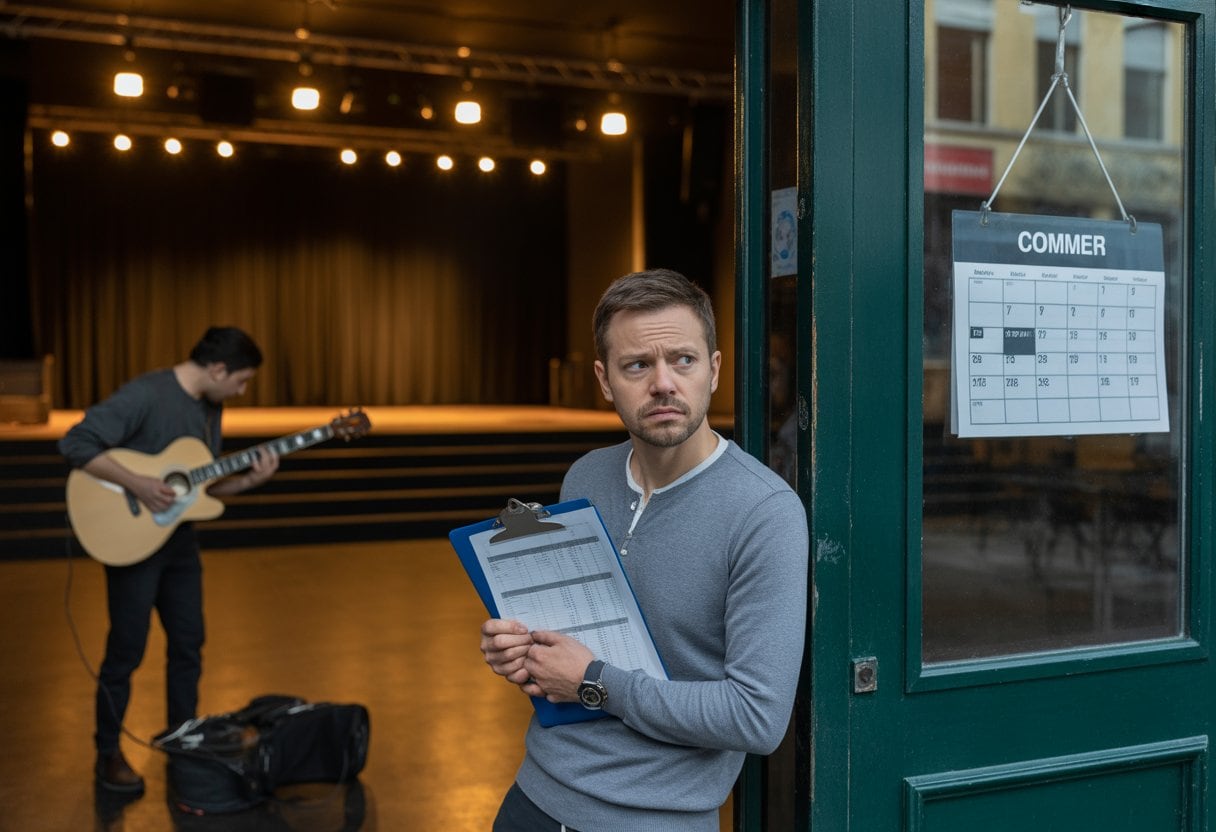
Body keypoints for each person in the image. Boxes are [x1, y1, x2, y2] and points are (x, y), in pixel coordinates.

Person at [480, 269, 809, 831]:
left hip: (654, 818)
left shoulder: (765, 513)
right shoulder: (585, 477)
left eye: (683, 359)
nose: (663, 383)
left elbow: (757, 718)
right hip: (534, 798)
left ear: (714, 369)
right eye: (638, 365)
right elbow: (574, 641)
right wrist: (521, 648)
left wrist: (594, 681)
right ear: (606, 381)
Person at [59, 326, 280, 794]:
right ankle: (108, 753)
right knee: (126, 650)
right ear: (218, 369)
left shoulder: (209, 407)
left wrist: (248, 482)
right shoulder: (146, 394)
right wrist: (138, 484)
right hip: (132, 544)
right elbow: (76, 443)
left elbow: (200, 488)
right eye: (240, 381)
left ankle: (182, 738)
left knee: (188, 643)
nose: (241, 391)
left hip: (179, 544)